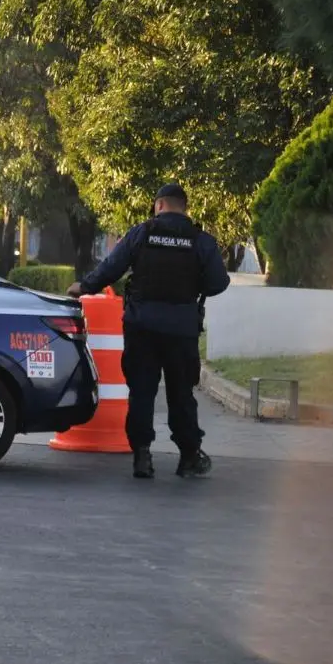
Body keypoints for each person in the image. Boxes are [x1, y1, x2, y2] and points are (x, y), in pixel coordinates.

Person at [66, 183, 231, 479]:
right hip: (181, 330)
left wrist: (84, 286)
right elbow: (219, 282)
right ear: (184, 207)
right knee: (181, 395)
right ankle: (189, 456)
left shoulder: (141, 233)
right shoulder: (200, 240)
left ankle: (142, 456)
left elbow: (111, 268)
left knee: (141, 393)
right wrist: (192, 289)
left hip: (142, 326)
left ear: (158, 205)